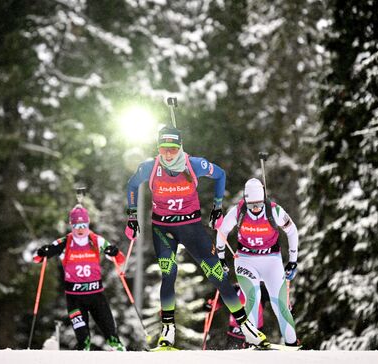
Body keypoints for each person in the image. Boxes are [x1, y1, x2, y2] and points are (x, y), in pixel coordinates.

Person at [124, 126, 269, 349]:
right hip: (163, 230)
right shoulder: (150, 167)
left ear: (179, 147)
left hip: (191, 228)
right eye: (164, 148)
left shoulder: (194, 164)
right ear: (158, 148)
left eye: (172, 149)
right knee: (168, 274)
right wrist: (132, 216)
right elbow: (132, 184)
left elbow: (220, 174)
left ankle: (246, 327)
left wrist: (217, 208)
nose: (168, 154)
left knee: (217, 275)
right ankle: (168, 330)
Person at [216, 178, 300, 348]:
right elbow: (222, 231)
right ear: (246, 201)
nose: (255, 209)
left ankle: (292, 344)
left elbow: (293, 232)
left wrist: (293, 261)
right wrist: (221, 258)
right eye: (251, 205)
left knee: (280, 304)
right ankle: (253, 343)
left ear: (264, 200)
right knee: (253, 298)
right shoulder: (238, 211)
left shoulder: (274, 211)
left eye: (259, 205)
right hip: (245, 260)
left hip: (271, 260)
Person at [34, 205, 126, 351]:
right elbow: (38, 258)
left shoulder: (96, 240)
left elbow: (119, 259)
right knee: (83, 339)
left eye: (83, 225)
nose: (80, 229)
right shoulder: (65, 243)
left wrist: (114, 252)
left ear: (88, 224)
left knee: (111, 333)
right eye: (76, 225)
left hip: (96, 296)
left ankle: (121, 354)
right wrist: (42, 252)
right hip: (75, 298)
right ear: (72, 225)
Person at [203, 282, 269, 349]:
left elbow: (275, 298)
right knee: (233, 353)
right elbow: (220, 300)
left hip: (255, 330)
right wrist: (211, 305)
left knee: (252, 355)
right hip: (236, 331)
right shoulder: (235, 289)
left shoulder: (261, 290)